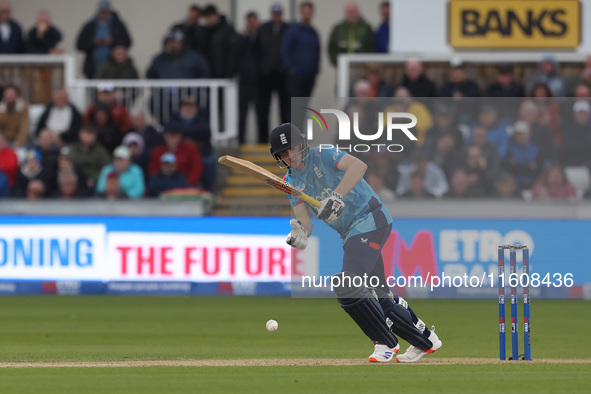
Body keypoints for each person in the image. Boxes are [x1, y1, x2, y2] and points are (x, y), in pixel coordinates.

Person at [269, 123, 442, 363]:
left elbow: (359, 166)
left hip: (371, 218)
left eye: (293, 149)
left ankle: (385, 343)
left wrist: (337, 195)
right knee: (381, 296)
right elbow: (304, 222)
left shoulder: (323, 154)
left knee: (346, 284)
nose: (290, 156)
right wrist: (300, 232)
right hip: (350, 233)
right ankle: (426, 340)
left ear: (303, 145)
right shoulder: (290, 183)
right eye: (283, 153)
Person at [255, 3, 290, 143]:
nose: (276, 16)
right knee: (263, 108)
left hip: (283, 75)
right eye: (274, 13)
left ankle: (286, 139)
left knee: (285, 109)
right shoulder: (263, 28)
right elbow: (256, 50)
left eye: (279, 13)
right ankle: (263, 139)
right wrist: (260, 68)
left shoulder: (288, 29)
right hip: (265, 75)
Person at [76, 0, 132, 79]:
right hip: (93, 68)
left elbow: (127, 42)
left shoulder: (118, 25)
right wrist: (94, 42)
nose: (104, 14)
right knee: (95, 89)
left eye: (106, 11)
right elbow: (79, 44)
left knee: (111, 90)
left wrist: (112, 41)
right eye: (102, 11)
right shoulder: (90, 25)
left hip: (113, 70)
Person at [281, 2, 320, 102]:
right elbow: (285, 50)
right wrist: (291, 69)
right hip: (296, 76)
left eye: (309, 12)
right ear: (301, 13)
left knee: (303, 105)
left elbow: (317, 52)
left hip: (309, 75)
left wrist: (315, 70)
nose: (307, 14)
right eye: (305, 12)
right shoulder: (293, 30)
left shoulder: (313, 32)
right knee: (294, 105)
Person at [328, 2, 374, 67]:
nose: (351, 14)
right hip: (342, 67)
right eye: (349, 11)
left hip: (361, 67)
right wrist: (337, 62)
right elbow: (331, 48)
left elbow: (371, 48)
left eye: (353, 11)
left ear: (358, 12)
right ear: (345, 13)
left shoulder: (366, 28)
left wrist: (367, 63)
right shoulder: (338, 29)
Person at [201, 4, 241, 79]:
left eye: (209, 17)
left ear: (215, 16)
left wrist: (230, 72)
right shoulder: (206, 31)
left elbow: (233, 52)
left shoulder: (227, 30)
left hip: (224, 75)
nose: (207, 20)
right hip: (210, 74)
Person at [238, 11, 259, 145]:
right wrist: (243, 37)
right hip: (244, 80)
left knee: (260, 113)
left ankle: (262, 140)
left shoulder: (262, 37)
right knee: (242, 113)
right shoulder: (242, 39)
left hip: (258, 82)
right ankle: (241, 140)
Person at [67, 123, 111, 190]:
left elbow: (106, 168)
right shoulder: (74, 149)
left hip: (96, 182)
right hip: (77, 181)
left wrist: (94, 178)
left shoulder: (100, 150)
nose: (88, 136)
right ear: (80, 134)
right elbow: (69, 164)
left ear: (95, 136)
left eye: (91, 134)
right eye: (86, 133)